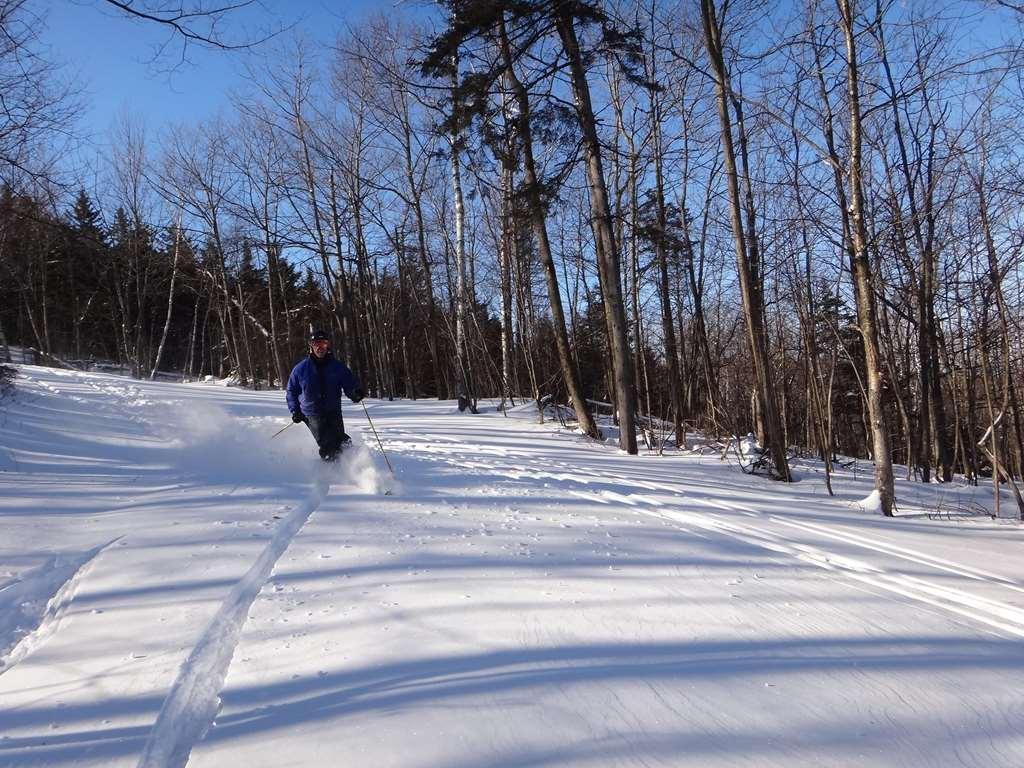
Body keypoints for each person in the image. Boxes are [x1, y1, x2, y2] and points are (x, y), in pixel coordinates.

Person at [286, 329, 365, 461]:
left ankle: (351, 466)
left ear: (328, 345)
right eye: (316, 344)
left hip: (333, 410)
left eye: (323, 344)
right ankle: (330, 473)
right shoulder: (301, 369)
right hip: (312, 413)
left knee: (342, 441)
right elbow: (291, 391)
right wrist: (295, 411)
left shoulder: (337, 367)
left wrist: (355, 392)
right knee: (328, 444)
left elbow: (349, 383)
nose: (320, 347)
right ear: (311, 345)